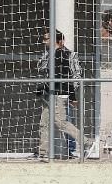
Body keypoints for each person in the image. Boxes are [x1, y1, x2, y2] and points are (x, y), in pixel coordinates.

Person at [36, 30, 84, 159]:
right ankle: (43, 152)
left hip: (61, 93)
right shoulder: (47, 55)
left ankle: (83, 143)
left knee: (62, 123)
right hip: (48, 94)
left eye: (46, 39)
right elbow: (42, 72)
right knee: (45, 123)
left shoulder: (67, 55)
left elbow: (74, 75)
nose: (43, 42)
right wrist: (40, 89)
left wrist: (71, 95)